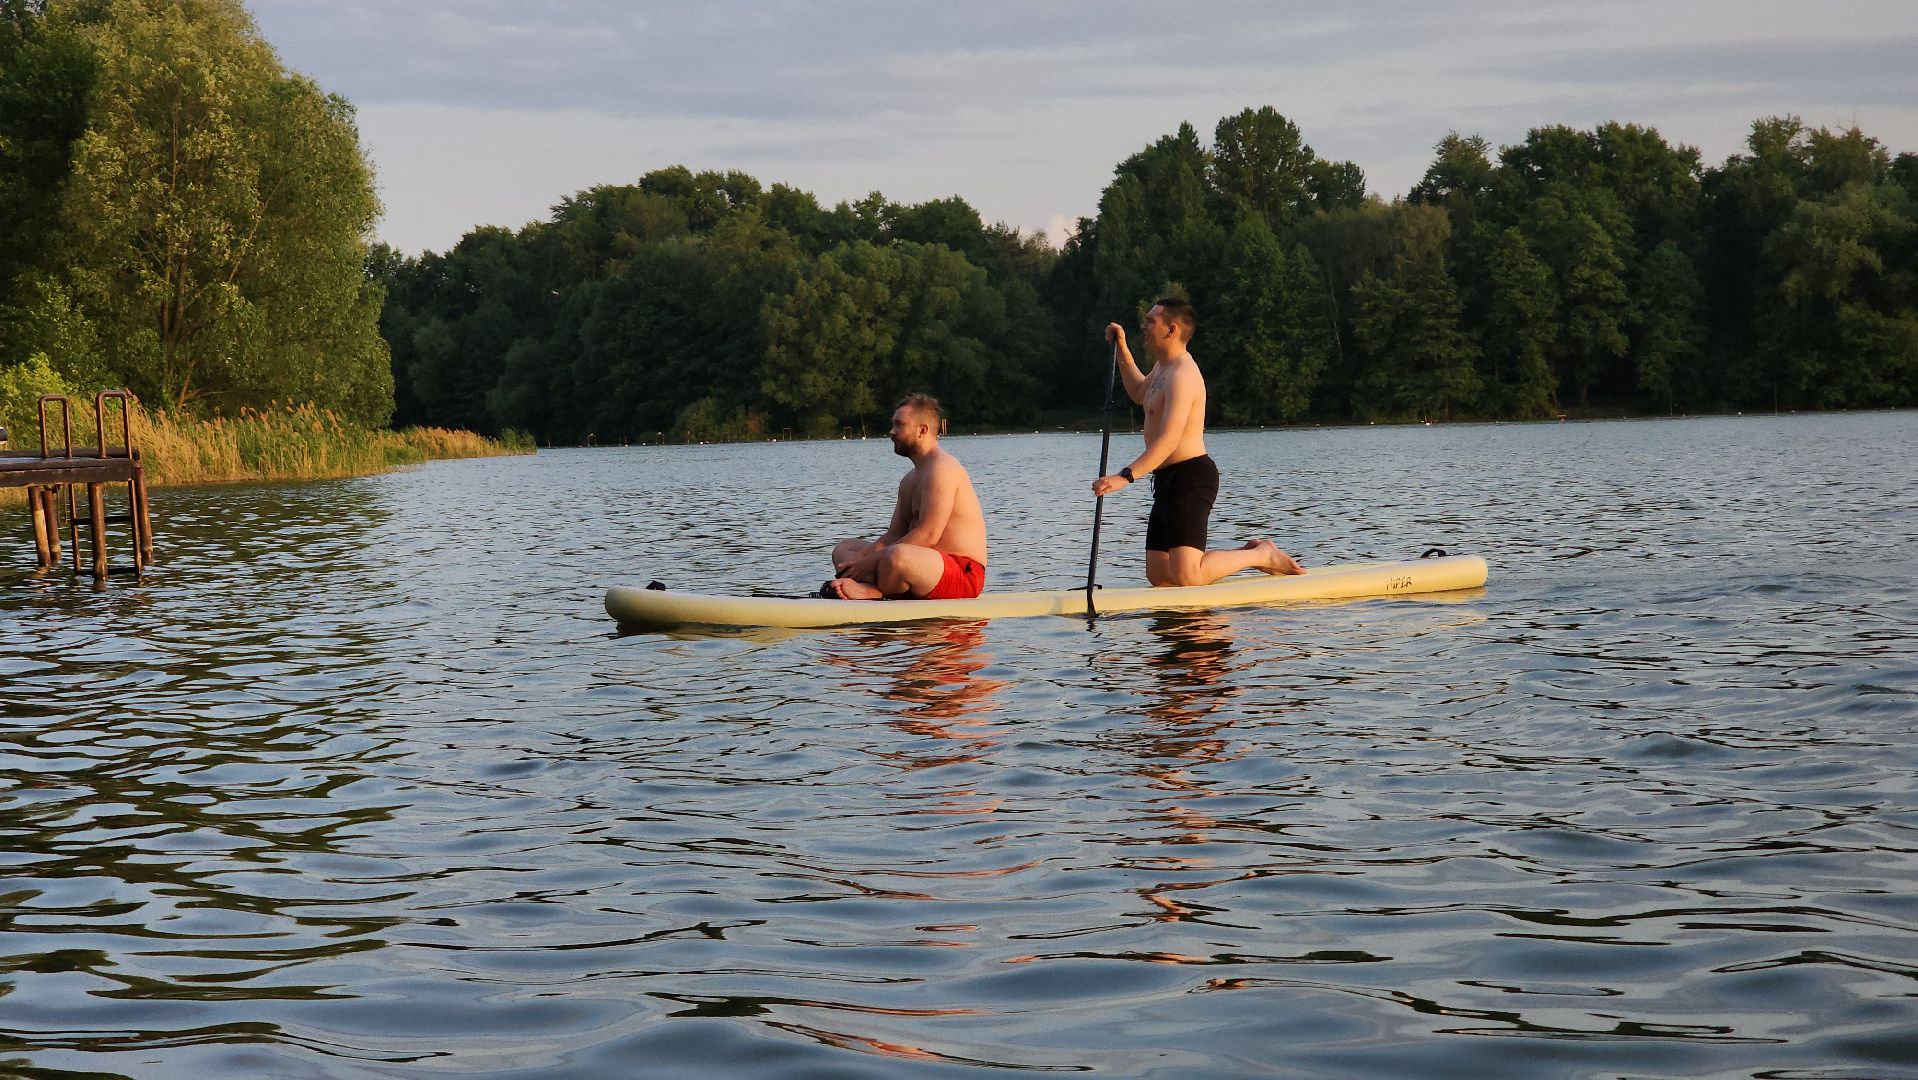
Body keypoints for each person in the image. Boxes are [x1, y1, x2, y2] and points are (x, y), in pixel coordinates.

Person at [1092, 298, 1305, 586]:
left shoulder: (1183, 375)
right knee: (1159, 576)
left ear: (1172, 329)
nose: (1144, 325)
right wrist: (1122, 348)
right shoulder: (1162, 368)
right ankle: (1246, 554)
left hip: (1191, 478)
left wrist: (1124, 477)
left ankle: (1262, 554)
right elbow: (1140, 392)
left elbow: (1169, 440)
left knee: (1187, 575)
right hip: (1165, 480)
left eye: (1151, 321)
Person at [827, 393, 989, 601]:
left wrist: (871, 561)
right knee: (844, 549)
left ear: (922, 430)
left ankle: (876, 592)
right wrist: (864, 559)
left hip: (961, 573)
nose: (891, 432)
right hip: (917, 565)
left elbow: (929, 535)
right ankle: (877, 585)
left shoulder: (943, 468)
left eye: (899, 425)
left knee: (897, 556)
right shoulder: (909, 480)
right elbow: (894, 534)